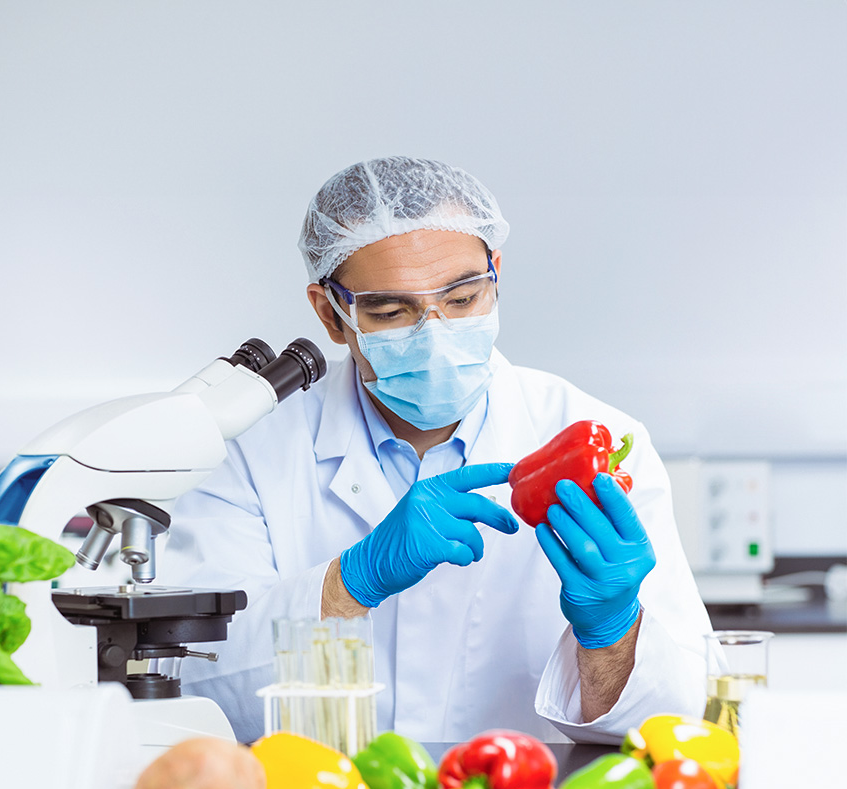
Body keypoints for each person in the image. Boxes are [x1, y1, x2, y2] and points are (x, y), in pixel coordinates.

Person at [161, 156, 711, 744]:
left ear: (496, 273)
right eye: (391, 311)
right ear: (330, 313)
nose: (436, 333)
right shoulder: (246, 450)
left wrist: (612, 631)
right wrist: (349, 583)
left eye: (463, 298)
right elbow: (195, 688)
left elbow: (673, 727)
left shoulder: (594, 436)